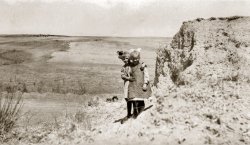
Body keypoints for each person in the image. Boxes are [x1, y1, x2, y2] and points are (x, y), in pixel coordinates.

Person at [127, 48, 152, 118]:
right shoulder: (131, 65)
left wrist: (145, 83)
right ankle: (135, 111)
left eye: (137, 59)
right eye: (133, 59)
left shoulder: (142, 65)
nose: (135, 60)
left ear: (139, 58)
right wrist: (132, 52)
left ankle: (140, 110)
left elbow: (146, 75)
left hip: (140, 84)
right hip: (133, 84)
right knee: (133, 98)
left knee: (141, 97)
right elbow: (125, 58)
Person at [117, 50, 134, 118]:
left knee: (134, 97)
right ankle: (129, 113)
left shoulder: (133, 65)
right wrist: (128, 78)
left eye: (126, 58)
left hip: (134, 83)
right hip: (127, 83)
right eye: (123, 59)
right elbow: (122, 75)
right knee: (127, 98)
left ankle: (136, 112)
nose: (124, 60)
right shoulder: (124, 67)